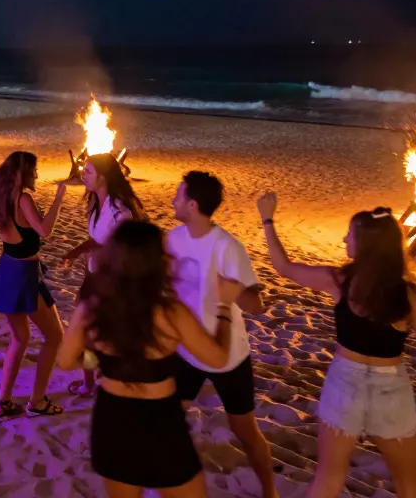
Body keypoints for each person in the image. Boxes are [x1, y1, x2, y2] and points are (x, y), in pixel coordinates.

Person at [257, 194, 416, 496]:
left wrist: (267, 219)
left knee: (328, 481)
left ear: (367, 245)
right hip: (389, 392)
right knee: (410, 488)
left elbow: (284, 267)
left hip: (344, 385)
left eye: (350, 234)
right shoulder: (410, 296)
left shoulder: (340, 281)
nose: (344, 238)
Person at [57, 221, 247, 497]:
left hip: (113, 419)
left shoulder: (92, 307)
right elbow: (217, 359)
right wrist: (224, 307)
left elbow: (65, 361)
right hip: (160, 421)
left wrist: (96, 360)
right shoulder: (170, 313)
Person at [166, 171, 276, 498]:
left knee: (245, 431)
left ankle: (270, 491)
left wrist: (232, 292)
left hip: (228, 356)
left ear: (193, 204)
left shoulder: (228, 247)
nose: (173, 199)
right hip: (187, 351)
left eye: (178, 194)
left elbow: (257, 306)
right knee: (168, 423)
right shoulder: (172, 239)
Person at [0, 151, 69, 419]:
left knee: (19, 339)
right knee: (55, 336)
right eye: (34, 169)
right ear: (25, 172)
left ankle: (4, 402)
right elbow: (44, 231)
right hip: (25, 274)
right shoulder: (22, 199)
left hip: (7, 268)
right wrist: (59, 199)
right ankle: (37, 401)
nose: (37, 174)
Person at [64, 153, 147, 397]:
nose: (83, 175)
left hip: (114, 283)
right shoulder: (94, 203)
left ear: (103, 176)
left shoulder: (121, 210)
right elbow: (96, 239)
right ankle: (89, 382)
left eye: (88, 172)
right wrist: (75, 251)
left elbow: (121, 248)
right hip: (94, 277)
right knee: (85, 333)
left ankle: (119, 382)